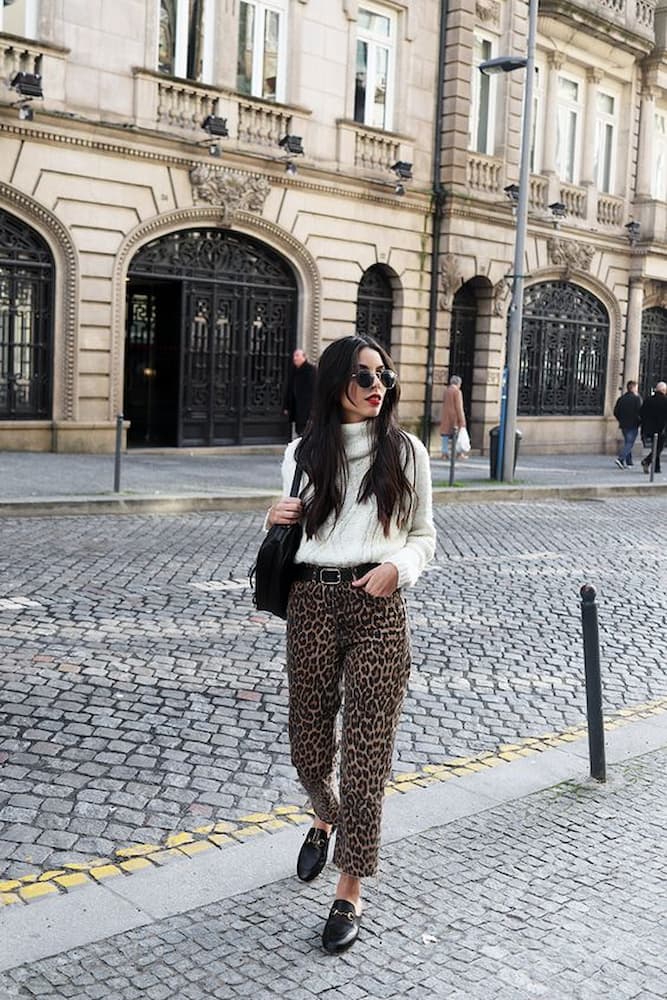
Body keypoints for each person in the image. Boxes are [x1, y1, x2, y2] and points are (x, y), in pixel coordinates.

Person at [266, 335, 436, 955]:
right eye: (365, 375)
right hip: (311, 602)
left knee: (367, 755)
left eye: (384, 377)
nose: (377, 386)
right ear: (336, 378)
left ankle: (349, 884)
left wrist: (402, 568)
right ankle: (324, 812)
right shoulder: (300, 452)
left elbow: (424, 533)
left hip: (378, 605)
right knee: (308, 746)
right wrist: (275, 515)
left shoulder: (405, 450)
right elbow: (297, 522)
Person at [283, 348, 316, 435]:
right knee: (298, 430)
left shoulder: (311, 371)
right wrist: (286, 406)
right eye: (294, 356)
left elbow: (315, 391)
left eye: (297, 355)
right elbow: (289, 389)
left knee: (305, 431)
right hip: (296, 408)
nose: (294, 358)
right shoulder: (293, 370)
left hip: (307, 409)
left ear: (304, 357)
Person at [613, 380, 642, 468]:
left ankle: (629, 462)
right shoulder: (636, 399)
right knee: (630, 443)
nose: (637, 389)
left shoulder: (621, 398)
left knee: (627, 442)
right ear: (633, 388)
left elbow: (616, 412)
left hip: (623, 424)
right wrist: (639, 421)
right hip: (633, 424)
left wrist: (620, 419)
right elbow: (640, 412)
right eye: (636, 387)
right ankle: (621, 458)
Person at [640, 381, 667, 474]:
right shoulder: (665, 401)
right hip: (661, 429)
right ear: (664, 390)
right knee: (658, 448)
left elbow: (641, 413)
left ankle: (656, 467)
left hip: (649, 429)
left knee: (655, 447)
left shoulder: (648, 400)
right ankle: (647, 461)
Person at [439, 374, 469, 459]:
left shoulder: (446, 391)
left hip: (446, 415)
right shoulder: (457, 392)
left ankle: (444, 453)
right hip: (455, 417)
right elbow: (459, 407)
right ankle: (459, 453)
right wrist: (462, 420)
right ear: (458, 383)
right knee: (457, 435)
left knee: (445, 435)